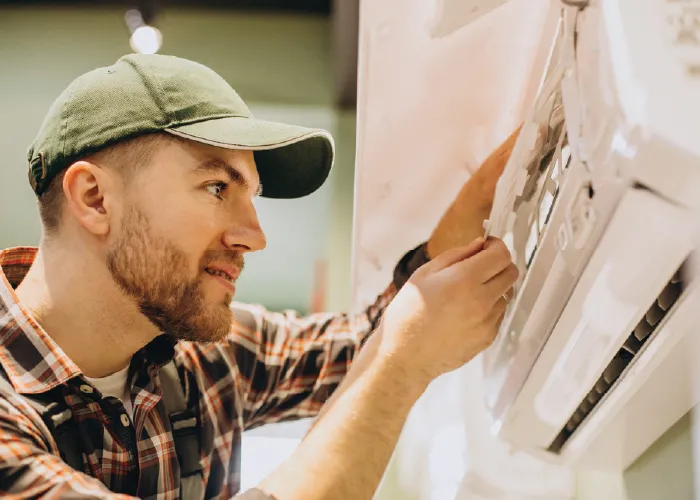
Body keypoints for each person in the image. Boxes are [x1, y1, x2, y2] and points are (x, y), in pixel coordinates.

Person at [0, 53, 519, 499]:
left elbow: (368, 341)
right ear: (95, 198)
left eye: (252, 196)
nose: (255, 236)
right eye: (217, 188)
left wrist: (477, 207)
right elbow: (391, 353)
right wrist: (402, 370)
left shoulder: (199, 355)